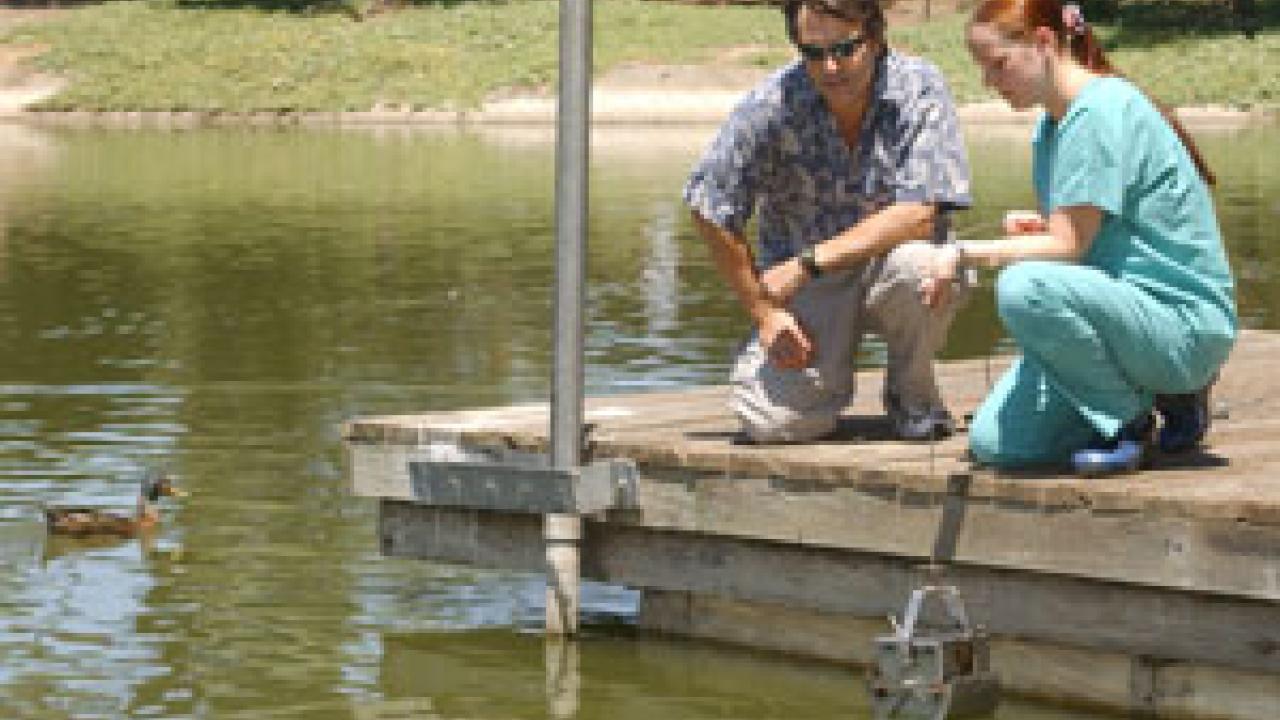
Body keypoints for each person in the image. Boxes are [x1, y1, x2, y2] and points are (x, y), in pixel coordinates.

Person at [919, 0, 1236, 475]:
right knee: (998, 445)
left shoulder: (1097, 112)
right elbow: (1085, 236)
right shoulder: (1053, 125)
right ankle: (1152, 395)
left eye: (997, 65)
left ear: (1044, 42)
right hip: (1126, 323)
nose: (989, 82)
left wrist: (962, 253)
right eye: (983, 69)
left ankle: (1134, 421)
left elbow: (1068, 248)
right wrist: (1045, 229)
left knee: (1022, 287)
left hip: (1183, 326)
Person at [683, 0, 972, 443]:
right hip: (809, 289)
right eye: (813, 53)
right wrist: (764, 313)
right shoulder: (771, 103)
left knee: (926, 267)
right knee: (772, 425)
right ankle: (821, 393)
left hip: (885, 265)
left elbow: (919, 212)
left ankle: (912, 396)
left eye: (844, 49)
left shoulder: (921, 88)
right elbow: (708, 204)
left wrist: (807, 262)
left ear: (873, 37)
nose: (831, 67)